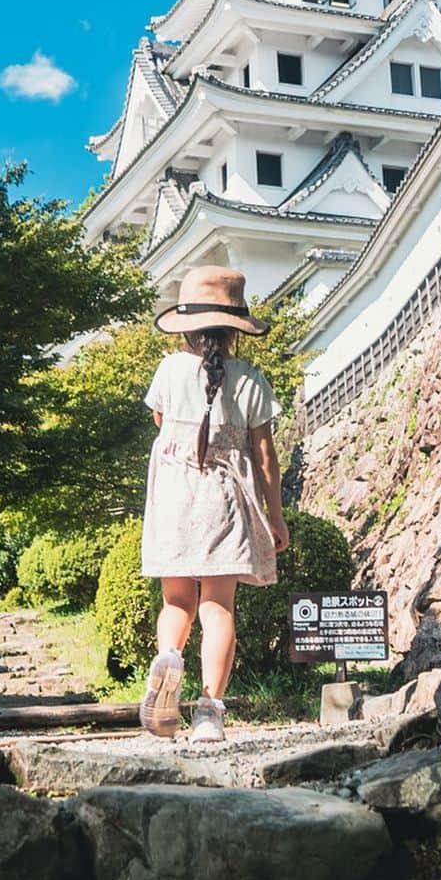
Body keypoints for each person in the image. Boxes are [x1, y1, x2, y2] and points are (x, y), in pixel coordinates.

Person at [138, 265, 289, 744]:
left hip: (173, 499)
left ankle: (169, 656)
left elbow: (162, 422)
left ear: (186, 326)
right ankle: (209, 712)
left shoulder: (167, 369)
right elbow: (266, 457)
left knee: (177, 601)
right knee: (218, 608)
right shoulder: (250, 380)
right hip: (222, 499)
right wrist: (275, 515)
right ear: (234, 329)